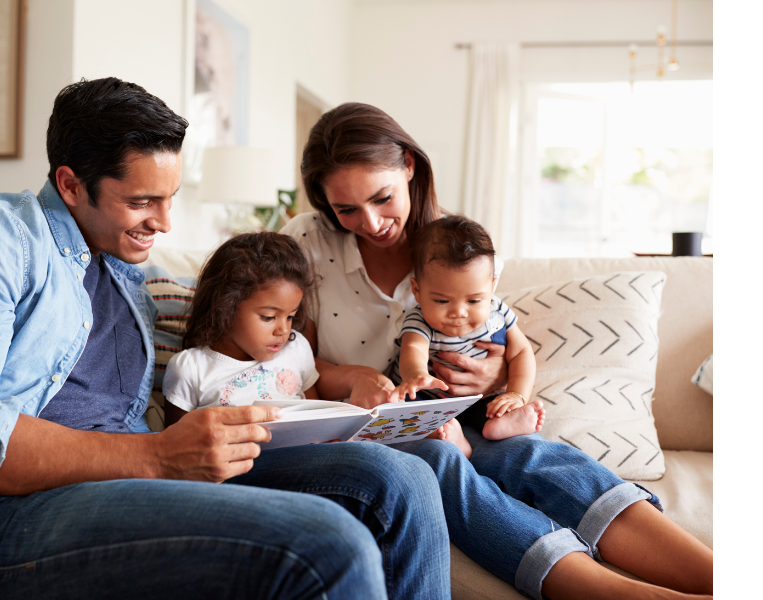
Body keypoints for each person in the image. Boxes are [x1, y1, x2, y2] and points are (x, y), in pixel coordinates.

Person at [0, 79, 453, 600]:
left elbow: (241, 305)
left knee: (399, 478)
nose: (165, 222)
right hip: (6, 515)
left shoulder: (128, 274)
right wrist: (156, 456)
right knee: (326, 545)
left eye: (170, 198)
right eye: (144, 201)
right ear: (72, 184)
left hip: (136, 482)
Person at [281, 101, 714, 600]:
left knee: (533, 454)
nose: (373, 222)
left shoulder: (459, 248)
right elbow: (295, 363)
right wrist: (353, 376)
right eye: (346, 209)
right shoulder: (307, 242)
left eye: (382, 198)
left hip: (459, 409)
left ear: (409, 166)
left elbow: (501, 344)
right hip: (367, 424)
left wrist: (491, 380)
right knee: (436, 462)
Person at [391, 214, 545, 457]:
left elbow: (522, 352)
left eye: (474, 300)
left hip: (477, 399)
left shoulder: (497, 312)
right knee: (402, 413)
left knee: (494, 407)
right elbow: (413, 349)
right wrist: (416, 375)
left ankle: (502, 424)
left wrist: (516, 394)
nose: (459, 313)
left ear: (492, 288)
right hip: (428, 399)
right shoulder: (420, 319)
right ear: (417, 290)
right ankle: (453, 439)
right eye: (442, 300)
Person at [163, 232, 320, 420]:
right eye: (268, 317)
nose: (284, 331)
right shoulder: (191, 369)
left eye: (290, 317)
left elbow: (317, 414)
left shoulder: (296, 348)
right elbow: (175, 441)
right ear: (225, 307)